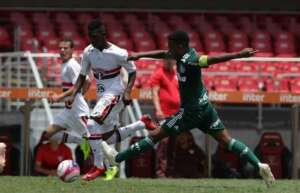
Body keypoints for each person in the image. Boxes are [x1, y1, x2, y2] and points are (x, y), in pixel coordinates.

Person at [101, 30, 275, 187]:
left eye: (171, 46)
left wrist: (238, 54)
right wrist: (141, 54)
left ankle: (117, 158)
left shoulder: (192, 60)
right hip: (206, 108)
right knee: (227, 141)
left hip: (190, 112)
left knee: (155, 135)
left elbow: (212, 59)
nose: (168, 50)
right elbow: (163, 53)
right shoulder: (181, 54)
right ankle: (260, 165)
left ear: (180, 45)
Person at [65, 20, 155, 181]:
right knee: (103, 137)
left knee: (92, 124)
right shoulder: (88, 52)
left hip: (115, 94)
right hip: (102, 97)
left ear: (103, 34)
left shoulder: (118, 53)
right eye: (90, 36)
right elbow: (82, 76)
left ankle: (99, 165)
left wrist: (128, 91)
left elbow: (132, 71)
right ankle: (141, 123)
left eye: (95, 36)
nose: (92, 39)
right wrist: (73, 94)